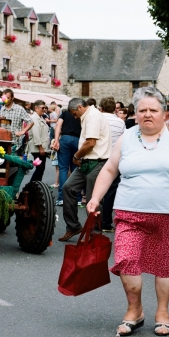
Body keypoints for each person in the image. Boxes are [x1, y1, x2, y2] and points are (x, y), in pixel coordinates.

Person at [87, 87, 169, 337]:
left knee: (165, 266)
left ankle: (162, 312)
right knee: (127, 261)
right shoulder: (127, 137)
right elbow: (109, 170)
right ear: (135, 114)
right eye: (142, 110)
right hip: (130, 212)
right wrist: (95, 198)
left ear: (164, 113)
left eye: (153, 110)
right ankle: (134, 310)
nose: (148, 115)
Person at [58, 98, 111, 242]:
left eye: (75, 114)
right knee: (68, 188)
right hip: (87, 162)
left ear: (80, 107)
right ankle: (74, 226)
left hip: (96, 162)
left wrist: (76, 156)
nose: (75, 117)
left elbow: (90, 143)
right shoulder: (89, 115)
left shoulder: (93, 116)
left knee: (92, 199)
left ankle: (94, 234)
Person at [99, 97, 126, 232]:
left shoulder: (97, 120)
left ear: (101, 108)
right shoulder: (120, 122)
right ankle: (105, 223)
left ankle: (94, 221)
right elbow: (124, 141)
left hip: (97, 157)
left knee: (95, 189)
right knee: (110, 192)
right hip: (114, 158)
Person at [51, 105, 82, 206]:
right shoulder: (81, 114)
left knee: (63, 169)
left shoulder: (64, 113)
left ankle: (62, 198)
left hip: (65, 139)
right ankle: (77, 198)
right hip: (78, 140)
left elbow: (58, 126)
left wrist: (56, 140)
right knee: (76, 169)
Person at [0, 89, 34, 155]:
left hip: (15, 143)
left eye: (8, 98)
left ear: (12, 98)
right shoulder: (0, 110)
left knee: (14, 163)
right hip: (3, 142)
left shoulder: (19, 109)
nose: (6, 100)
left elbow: (31, 122)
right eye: (4, 98)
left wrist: (22, 132)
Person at [27, 100, 50, 182]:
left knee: (40, 169)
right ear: (36, 108)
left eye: (45, 108)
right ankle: (31, 187)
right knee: (40, 169)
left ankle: (36, 186)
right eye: (42, 108)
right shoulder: (34, 118)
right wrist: (40, 148)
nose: (44, 109)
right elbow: (36, 134)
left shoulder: (39, 118)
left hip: (40, 148)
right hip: (38, 148)